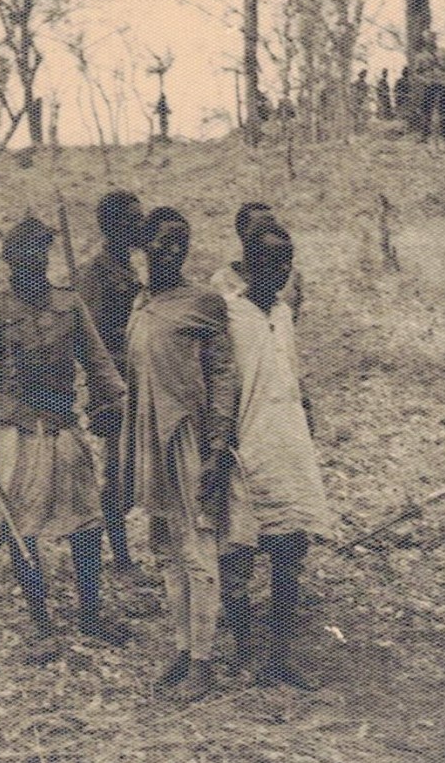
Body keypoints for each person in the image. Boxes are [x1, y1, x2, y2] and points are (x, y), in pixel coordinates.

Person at [0, 216, 130, 659]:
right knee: (22, 530)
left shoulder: (69, 305)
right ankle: (41, 624)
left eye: (41, 253)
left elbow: (98, 365)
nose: (34, 263)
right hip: (14, 434)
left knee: (85, 523)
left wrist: (117, 404)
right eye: (25, 256)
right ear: (10, 262)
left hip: (62, 429)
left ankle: (91, 615)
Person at [122, 207, 240, 701]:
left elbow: (224, 376)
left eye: (182, 242)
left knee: (197, 547)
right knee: (165, 550)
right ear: (143, 245)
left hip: (189, 439)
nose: (174, 250)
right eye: (164, 241)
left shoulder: (204, 303)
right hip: (149, 440)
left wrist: (217, 444)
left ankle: (203, 662)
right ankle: (182, 646)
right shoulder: (141, 303)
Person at [217, 224, 332, 690]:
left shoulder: (283, 313)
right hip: (246, 448)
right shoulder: (228, 314)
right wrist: (221, 446)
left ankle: (280, 656)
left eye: (287, 261)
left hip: (287, 446)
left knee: (290, 550)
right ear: (248, 262)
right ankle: (244, 650)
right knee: (238, 552)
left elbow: (290, 375)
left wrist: (305, 411)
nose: (280, 270)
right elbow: (222, 386)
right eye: (270, 261)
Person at [78, 190, 151, 582]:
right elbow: (92, 343)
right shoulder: (96, 274)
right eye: (133, 220)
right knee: (119, 473)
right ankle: (121, 559)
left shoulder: (128, 268)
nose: (141, 226)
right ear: (113, 226)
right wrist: (110, 393)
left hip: (141, 381)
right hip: (116, 388)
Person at [211, 202, 305, 322]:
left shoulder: (291, 277)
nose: (269, 226)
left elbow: (292, 317)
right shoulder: (221, 279)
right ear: (242, 231)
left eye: (272, 221)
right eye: (262, 222)